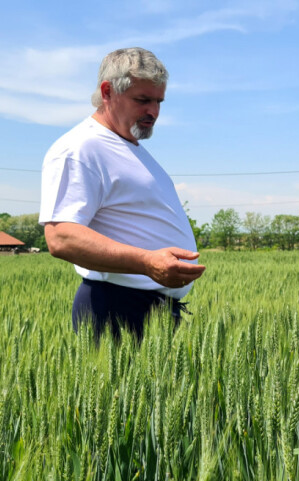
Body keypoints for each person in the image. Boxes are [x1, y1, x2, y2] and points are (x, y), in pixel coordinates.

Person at [39, 47, 205, 341]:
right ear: (107, 91)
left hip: (154, 312)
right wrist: (146, 262)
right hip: (116, 310)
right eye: (142, 100)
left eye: (158, 101)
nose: (153, 111)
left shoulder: (131, 149)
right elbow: (61, 236)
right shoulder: (81, 148)